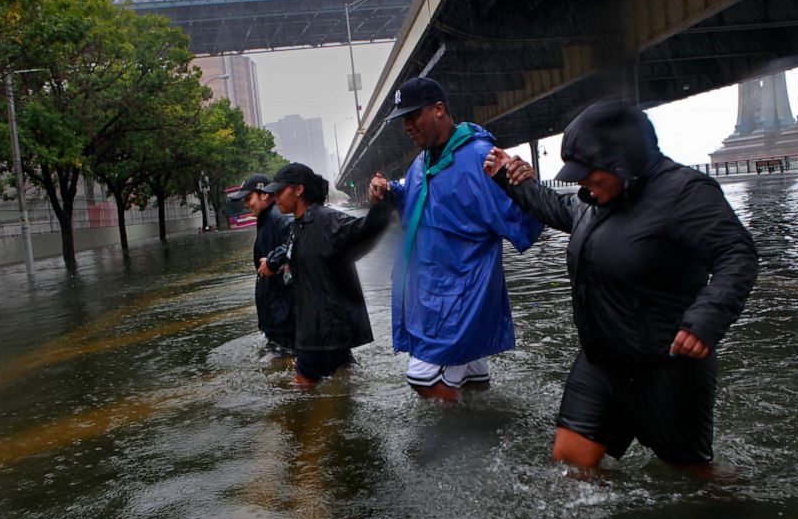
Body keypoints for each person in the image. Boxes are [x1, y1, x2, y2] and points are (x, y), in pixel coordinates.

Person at [483, 98, 758, 470]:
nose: (583, 184)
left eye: (589, 175)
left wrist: (707, 319)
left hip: (667, 369)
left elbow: (736, 255)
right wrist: (509, 179)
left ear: (622, 162)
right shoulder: (598, 199)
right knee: (570, 463)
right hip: (602, 362)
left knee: (692, 479)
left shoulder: (685, 193)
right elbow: (560, 210)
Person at [381, 77, 543, 400]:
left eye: (413, 116)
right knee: (472, 386)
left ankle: (455, 447)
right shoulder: (420, 164)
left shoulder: (480, 158)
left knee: (422, 377)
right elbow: (419, 206)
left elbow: (524, 223)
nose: (407, 127)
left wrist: (529, 187)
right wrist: (389, 192)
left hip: (458, 300)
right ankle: (487, 427)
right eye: (404, 120)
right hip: (433, 298)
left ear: (439, 110)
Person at [260, 162, 392, 387]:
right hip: (317, 328)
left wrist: (380, 204)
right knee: (343, 382)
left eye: (280, 191)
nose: (275, 198)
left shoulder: (327, 220)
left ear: (298, 189)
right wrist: (275, 261)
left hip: (323, 331)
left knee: (299, 393)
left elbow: (364, 229)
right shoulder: (296, 226)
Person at [228, 173, 295, 356]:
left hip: (283, 316)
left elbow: (295, 240)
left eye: (249, 198)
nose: (246, 204)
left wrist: (273, 261)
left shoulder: (278, 218)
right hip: (275, 315)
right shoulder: (266, 219)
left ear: (264, 194)